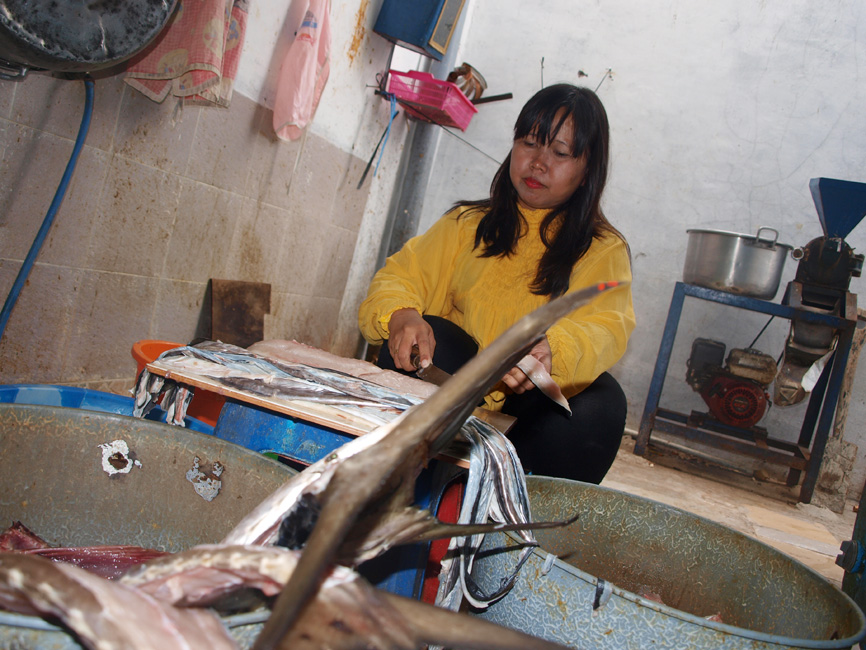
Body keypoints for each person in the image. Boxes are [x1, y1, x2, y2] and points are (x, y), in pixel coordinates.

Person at [358, 83, 635, 484]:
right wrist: (400, 314)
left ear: (588, 169)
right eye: (528, 144)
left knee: (602, 404)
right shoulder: (466, 225)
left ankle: (513, 525)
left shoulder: (602, 250)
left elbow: (606, 325)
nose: (538, 163)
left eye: (559, 153)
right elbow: (402, 275)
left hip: (530, 419)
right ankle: (401, 494)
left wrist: (554, 349)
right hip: (453, 398)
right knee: (433, 337)